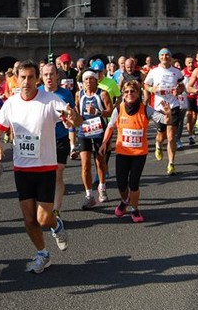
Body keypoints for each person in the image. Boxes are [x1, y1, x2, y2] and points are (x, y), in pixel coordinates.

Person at [0, 60, 80, 274]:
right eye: (23, 77)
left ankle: (56, 225)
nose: (27, 82)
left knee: (43, 218)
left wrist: (73, 117)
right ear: (17, 79)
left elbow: (74, 120)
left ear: (36, 79)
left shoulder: (50, 101)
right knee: (29, 220)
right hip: (22, 170)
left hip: (45, 168)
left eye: (31, 78)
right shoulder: (11, 103)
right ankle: (42, 253)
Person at [99, 80, 171, 222]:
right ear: (123, 94)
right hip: (122, 152)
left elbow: (165, 120)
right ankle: (125, 200)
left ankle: (135, 209)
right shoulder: (118, 109)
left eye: (132, 91)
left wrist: (168, 114)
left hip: (139, 154)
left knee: (133, 183)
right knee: (121, 184)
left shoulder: (145, 109)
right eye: (126, 92)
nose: (129, 94)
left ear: (138, 93)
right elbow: (110, 126)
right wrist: (104, 143)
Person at [39, 63, 81, 217]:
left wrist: (71, 118)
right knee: (43, 177)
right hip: (42, 140)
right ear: (42, 77)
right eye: (46, 75)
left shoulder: (66, 94)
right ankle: (45, 206)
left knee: (58, 174)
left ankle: (55, 211)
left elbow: (76, 120)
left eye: (52, 74)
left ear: (57, 76)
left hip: (60, 139)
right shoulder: (37, 93)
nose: (49, 78)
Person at [75, 70, 113, 209]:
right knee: (85, 164)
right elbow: (77, 112)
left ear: (96, 81)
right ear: (83, 82)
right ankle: (89, 195)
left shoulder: (102, 93)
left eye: (91, 79)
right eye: (86, 80)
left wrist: (97, 112)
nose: (89, 82)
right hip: (84, 130)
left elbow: (111, 110)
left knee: (100, 161)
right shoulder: (79, 94)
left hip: (99, 130)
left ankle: (102, 187)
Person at [143, 48, 184, 175]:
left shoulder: (176, 72)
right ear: (159, 57)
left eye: (167, 55)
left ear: (170, 57)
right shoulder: (154, 71)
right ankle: (158, 145)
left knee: (171, 136)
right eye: (162, 55)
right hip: (159, 107)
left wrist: (179, 91)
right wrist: (151, 88)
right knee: (162, 135)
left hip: (173, 106)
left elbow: (182, 85)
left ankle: (171, 163)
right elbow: (145, 85)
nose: (164, 57)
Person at [182, 56, 198, 146]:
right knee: (189, 115)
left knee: (195, 116)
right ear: (186, 63)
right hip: (187, 96)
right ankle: (190, 135)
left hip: (196, 95)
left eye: (192, 62)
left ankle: (192, 128)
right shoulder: (183, 72)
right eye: (189, 62)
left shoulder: (197, 71)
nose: (191, 64)